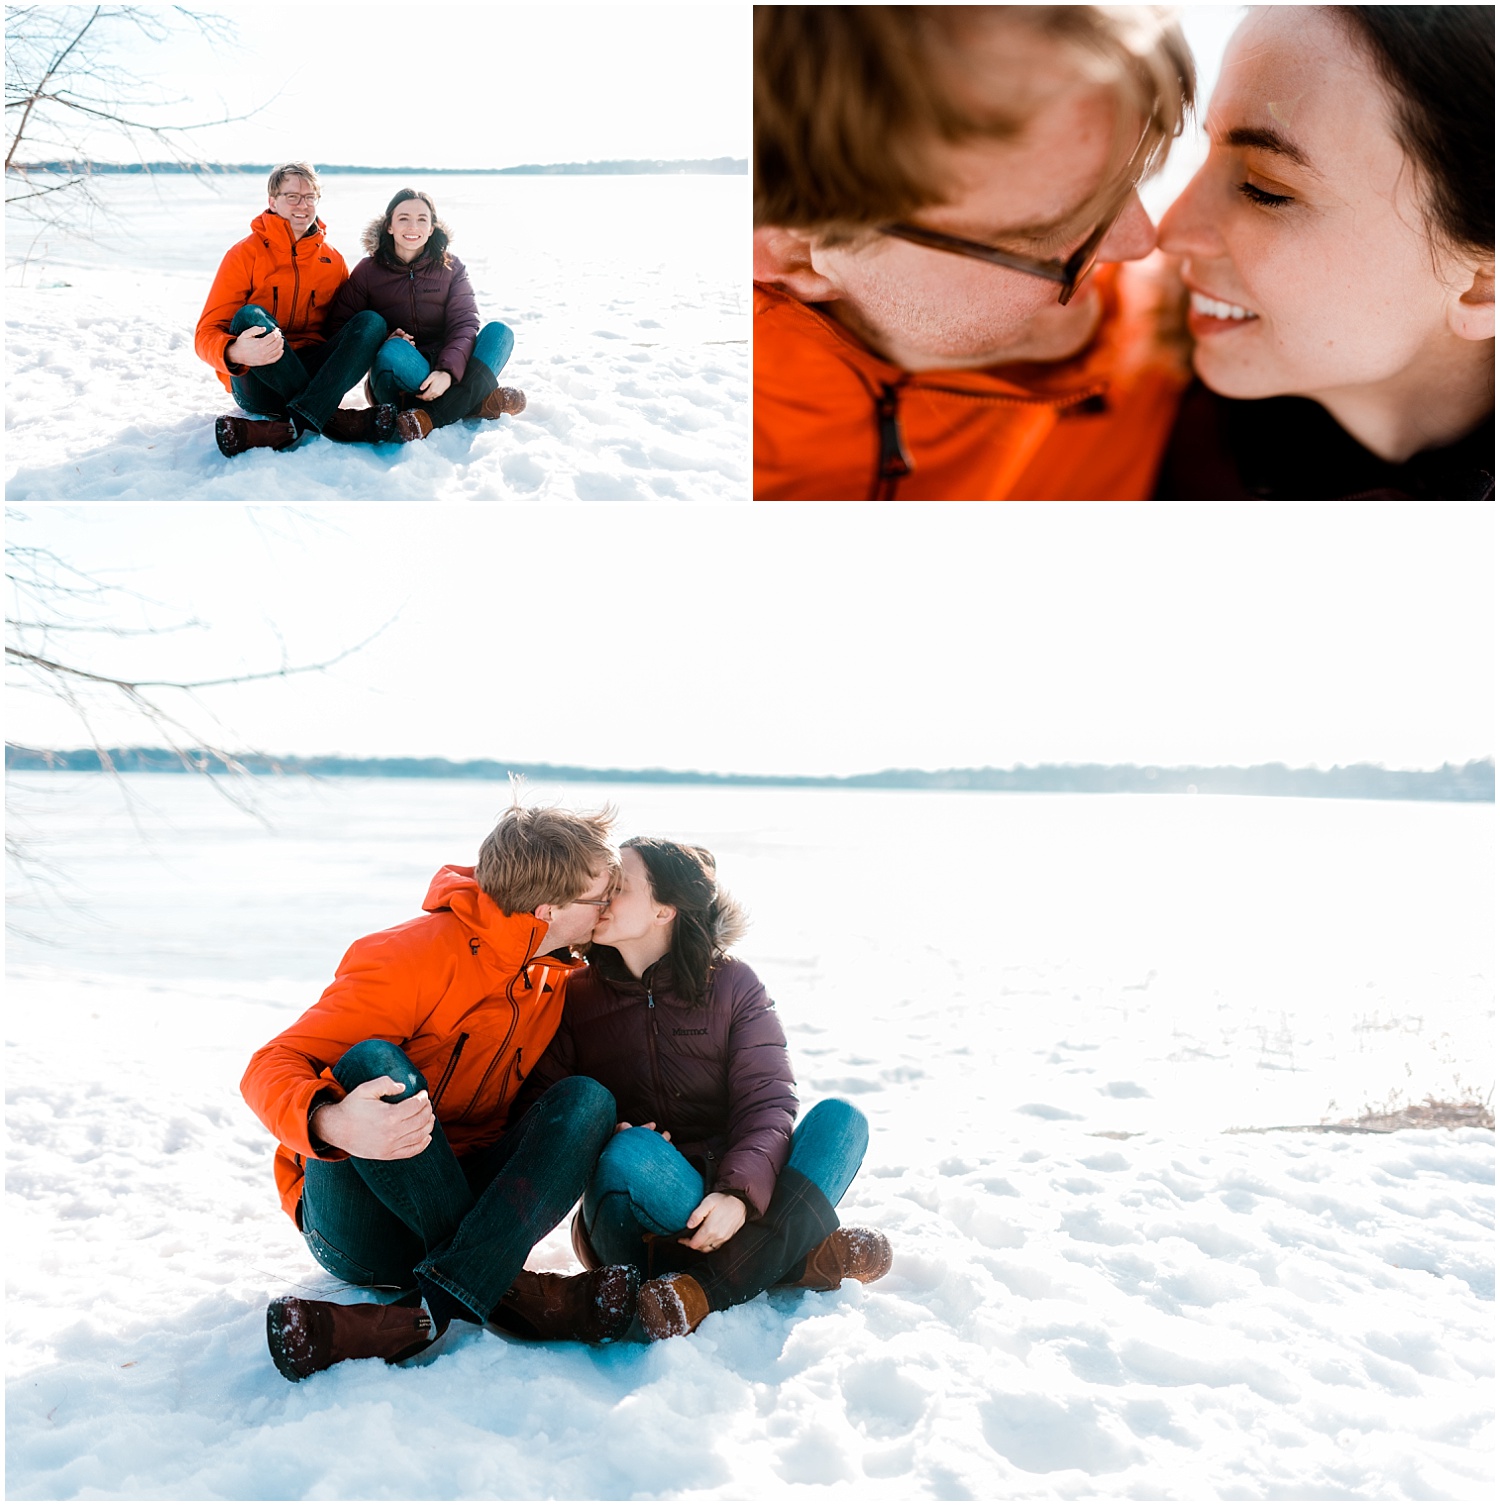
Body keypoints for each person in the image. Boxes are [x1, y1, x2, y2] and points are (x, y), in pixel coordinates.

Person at [241, 802, 637, 1382]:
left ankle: (427, 1309)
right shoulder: (411, 956)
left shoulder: (554, 974)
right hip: (362, 1221)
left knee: (588, 1101)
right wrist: (331, 1122)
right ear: (548, 908)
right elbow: (268, 1065)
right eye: (600, 899)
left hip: (467, 1197)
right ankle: (505, 1286)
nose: (607, 911)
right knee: (371, 1063)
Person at [753, 5, 1196, 500]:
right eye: (1051, 230)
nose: (1141, 242)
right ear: (794, 251)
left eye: (1131, 178)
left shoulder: (1185, 335)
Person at [512, 838, 891, 1341]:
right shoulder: (573, 994)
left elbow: (768, 1101)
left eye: (618, 886)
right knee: (630, 1152)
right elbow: (547, 1109)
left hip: (728, 1187)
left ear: (664, 909)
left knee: (843, 1121)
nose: (601, 897)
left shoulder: (733, 985)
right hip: (639, 1203)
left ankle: (700, 1290)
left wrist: (737, 1196)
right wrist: (602, 1131)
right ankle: (793, 1257)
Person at [1154, 6, 1494, 500]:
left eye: (1264, 189)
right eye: (1204, 152)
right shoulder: (1123, 394)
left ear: (1483, 282)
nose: (1168, 231)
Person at [195, 162, 396, 457]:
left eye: (309, 197)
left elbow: (346, 330)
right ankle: (330, 418)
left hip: (311, 372)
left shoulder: (332, 261)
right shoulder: (243, 255)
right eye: (292, 197)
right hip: (257, 378)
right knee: (250, 317)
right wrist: (234, 352)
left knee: (371, 322)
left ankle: (293, 423)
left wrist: (390, 334)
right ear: (272, 202)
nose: (302, 205)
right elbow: (205, 334)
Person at [322, 188, 526, 444]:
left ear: (431, 228)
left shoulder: (451, 268)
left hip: (446, 365)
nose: (413, 226)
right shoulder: (367, 270)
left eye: (422, 219)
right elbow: (340, 328)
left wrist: (447, 372)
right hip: (399, 372)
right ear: (389, 226)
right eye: (404, 218)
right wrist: (383, 337)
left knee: (500, 333)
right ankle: (475, 400)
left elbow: (464, 324)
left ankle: (429, 416)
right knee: (394, 350)